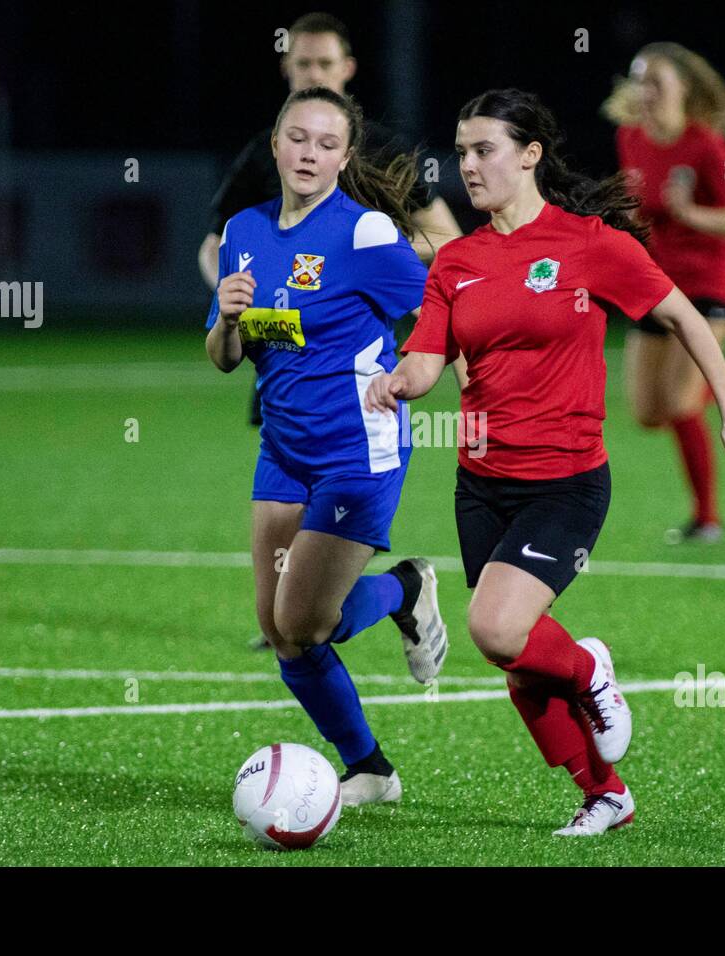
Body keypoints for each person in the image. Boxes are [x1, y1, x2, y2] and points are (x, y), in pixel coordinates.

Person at [365, 89, 725, 836]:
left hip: (566, 480)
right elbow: (426, 364)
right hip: (482, 484)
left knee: (494, 627)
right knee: (517, 663)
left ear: (530, 154)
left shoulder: (589, 244)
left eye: (484, 149)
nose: (469, 166)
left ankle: (589, 669)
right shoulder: (456, 261)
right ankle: (605, 794)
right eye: (461, 152)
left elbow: (682, 314)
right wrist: (396, 381)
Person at [206, 86, 448, 806]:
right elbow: (225, 357)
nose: (309, 153)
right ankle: (370, 768)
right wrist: (226, 320)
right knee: (283, 632)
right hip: (282, 450)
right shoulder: (244, 232)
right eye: (297, 139)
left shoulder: (365, 233)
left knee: (305, 620)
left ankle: (404, 587)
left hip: (356, 453)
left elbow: (439, 306)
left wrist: (417, 371)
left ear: (344, 158)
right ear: (275, 146)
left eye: (325, 144)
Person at [199, 11, 464, 650]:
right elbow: (216, 246)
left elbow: (449, 244)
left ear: (347, 70)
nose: (313, 72)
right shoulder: (266, 159)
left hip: (352, 365)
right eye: (302, 64)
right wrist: (228, 297)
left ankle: (343, 604)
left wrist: (364, 255)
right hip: (280, 355)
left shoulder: (387, 155)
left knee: (304, 611)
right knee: (287, 606)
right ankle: (299, 612)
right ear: (286, 69)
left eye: (325, 64)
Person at [602, 42, 725, 543]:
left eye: (657, 81)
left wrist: (690, 213)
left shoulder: (708, 147)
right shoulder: (630, 138)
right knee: (646, 412)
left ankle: (708, 519)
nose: (646, 91)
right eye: (639, 80)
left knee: (681, 404)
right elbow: (636, 204)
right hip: (653, 286)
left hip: (706, 287)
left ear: (683, 88)